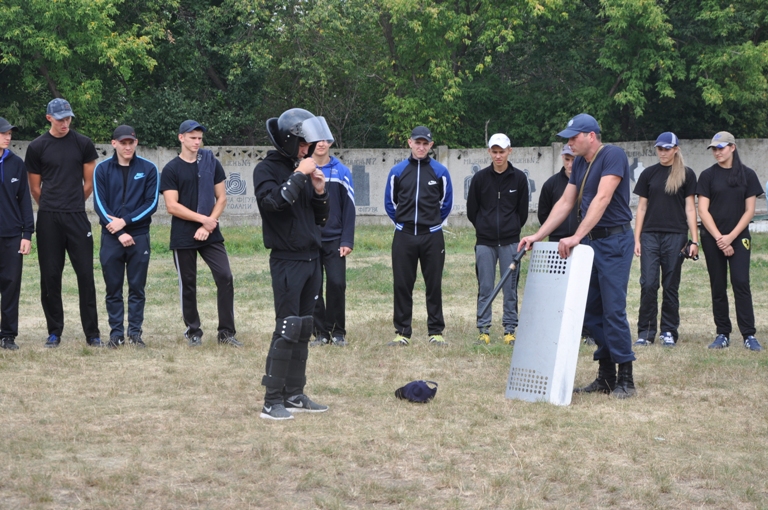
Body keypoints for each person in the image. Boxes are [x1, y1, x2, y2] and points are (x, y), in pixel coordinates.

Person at [519, 113, 637, 399]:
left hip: (615, 241)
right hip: (592, 245)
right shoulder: (581, 163)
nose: (569, 143)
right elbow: (565, 202)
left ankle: (626, 378)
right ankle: (606, 375)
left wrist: (576, 236)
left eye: (574, 137)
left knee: (613, 309)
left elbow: (602, 199)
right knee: (591, 311)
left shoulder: (613, 156)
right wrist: (537, 234)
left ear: (591, 136)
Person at [254, 108, 333, 420]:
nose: (307, 149)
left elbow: (320, 219)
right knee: (286, 328)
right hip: (287, 261)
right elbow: (273, 204)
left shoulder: (299, 168)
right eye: (302, 144)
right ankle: (272, 399)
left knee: (304, 329)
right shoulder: (267, 169)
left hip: (312, 259)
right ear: (288, 141)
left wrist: (319, 190)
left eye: (308, 144)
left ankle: (294, 394)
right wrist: (300, 174)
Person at [25, 98, 103, 348]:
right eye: (60, 119)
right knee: (50, 276)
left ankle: (92, 333)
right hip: (48, 219)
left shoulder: (83, 144)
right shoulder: (37, 146)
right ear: (49, 118)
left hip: (77, 217)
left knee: (85, 276)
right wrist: (52, 205)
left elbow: (88, 184)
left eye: (68, 118)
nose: (65, 123)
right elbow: (35, 188)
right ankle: (54, 331)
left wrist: (72, 204)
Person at [159, 120, 240, 348]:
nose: (197, 142)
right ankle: (193, 331)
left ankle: (226, 333)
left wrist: (208, 224)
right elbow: (172, 206)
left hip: (210, 233)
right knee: (188, 283)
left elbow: (221, 198)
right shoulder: (171, 169)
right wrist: (202, 220)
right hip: (184, 235)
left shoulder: (210, 163)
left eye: (199, 138)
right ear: (181, 138)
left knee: (225, 277)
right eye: (192, 137)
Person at [384, 126, 453, 347]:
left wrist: (431, 224)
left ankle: (436, 331)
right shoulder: (398, 171)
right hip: (404, 236)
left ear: (431, 145)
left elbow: (446, 203)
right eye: (418, 143)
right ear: (410, 143)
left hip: (432, 237)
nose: (421, 147)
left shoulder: (440, 172)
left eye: (426, 143)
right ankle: (402, 332)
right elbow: (390, 202)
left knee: (433, 284)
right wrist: (402, 224)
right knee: (402, 284)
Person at [93, 125, 159, 348]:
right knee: (113, 288)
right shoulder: (101, 169)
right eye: (123, 143)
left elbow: (151, 204)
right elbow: (99, 206)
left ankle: (135, 333)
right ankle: (116, 334)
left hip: (139, 237)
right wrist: (119, 231)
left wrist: (126, 222)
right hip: (112, 238)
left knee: (137, 288)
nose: (127, 146)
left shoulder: (149, 169)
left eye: (131, 142)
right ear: (114, 144)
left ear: (136, 143)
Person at [697, 131, 763, 351]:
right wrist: (719, 238)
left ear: (733, 148)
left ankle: (749, 335)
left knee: (741, 282)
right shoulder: (707, 176)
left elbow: (750, 210)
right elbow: (703, 211)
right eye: (714, 149)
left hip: (739, 237)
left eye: (721, 148)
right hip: (713, 238)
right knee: (718, 285)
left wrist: (731, 238)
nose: (717, 152)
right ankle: (722, 333)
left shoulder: (748, 175)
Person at [633, 132, 698, 348]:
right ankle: (646, 332)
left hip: (676, 236)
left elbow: (690, 208)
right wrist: (637, 239)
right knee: (649, 284)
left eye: (667, 148)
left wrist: (694, 241)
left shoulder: (687, 174)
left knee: (670, 285)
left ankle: (668, 331)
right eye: (660, 148)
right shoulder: (648, 174)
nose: (663, 152)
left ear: (676, 149)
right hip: (650, 235)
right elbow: (641, 208)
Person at [466, 133, 528, 345]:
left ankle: (509, 330)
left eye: (502, 151)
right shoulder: (480, 179)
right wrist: (485, 228)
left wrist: (510, 231)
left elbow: (522, 212)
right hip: (485, 243)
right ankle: (484, 329)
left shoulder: (519, 178)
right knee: (485, 287)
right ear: (489, 152)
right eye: (495, 152)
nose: (498, 156)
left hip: (511, 243)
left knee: (510, 288)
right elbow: (472, 211)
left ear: (510, 151)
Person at [538, 145, 595, 346]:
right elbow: (544, 215)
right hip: (557, 242)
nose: (571, 164)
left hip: (583, 242)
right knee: (556, 288)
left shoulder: (589, 181)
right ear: (562, 158)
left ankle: (588, 331)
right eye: (567, 159)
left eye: (574, 159)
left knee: (585, 289)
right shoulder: (551, 184)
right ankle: (557, 329)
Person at [309, 137, 355, 347]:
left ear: (331, 142)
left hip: (335, 239)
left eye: (325, 140)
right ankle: (320, 333)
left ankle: (338, 332)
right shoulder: (303, 169)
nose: (321, 144)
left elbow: (350, 208)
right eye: (317, 140)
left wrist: (347, 239)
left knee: (337, 284)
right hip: (310, 239)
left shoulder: (342, 171)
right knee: (313, 287)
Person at [0, 118, 34, 350]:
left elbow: (25, 202)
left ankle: (8, 335)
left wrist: (27, 234)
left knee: (11, 285)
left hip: (12, 235)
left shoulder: (16, 163)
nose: (8, 137)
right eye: (4, 133)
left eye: (10, 133)